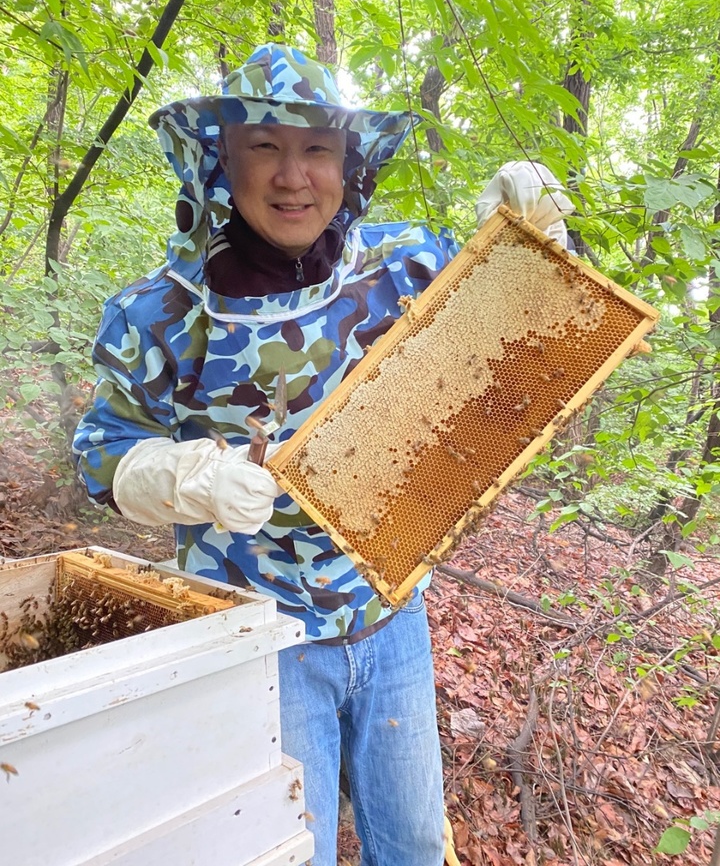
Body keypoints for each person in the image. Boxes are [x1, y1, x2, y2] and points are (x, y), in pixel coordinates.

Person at [73, 43, 571, 866]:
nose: (292, 175)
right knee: (288, 849)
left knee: (412, 843)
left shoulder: (405, 266)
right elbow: (102, 451)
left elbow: (527, 343)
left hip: (392, 613)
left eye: (316, 148)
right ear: (221, 161)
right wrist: (180, 476)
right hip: (256, 641)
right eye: (263, 146)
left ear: (349, 164)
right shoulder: (156, 317)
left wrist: (535, 248)